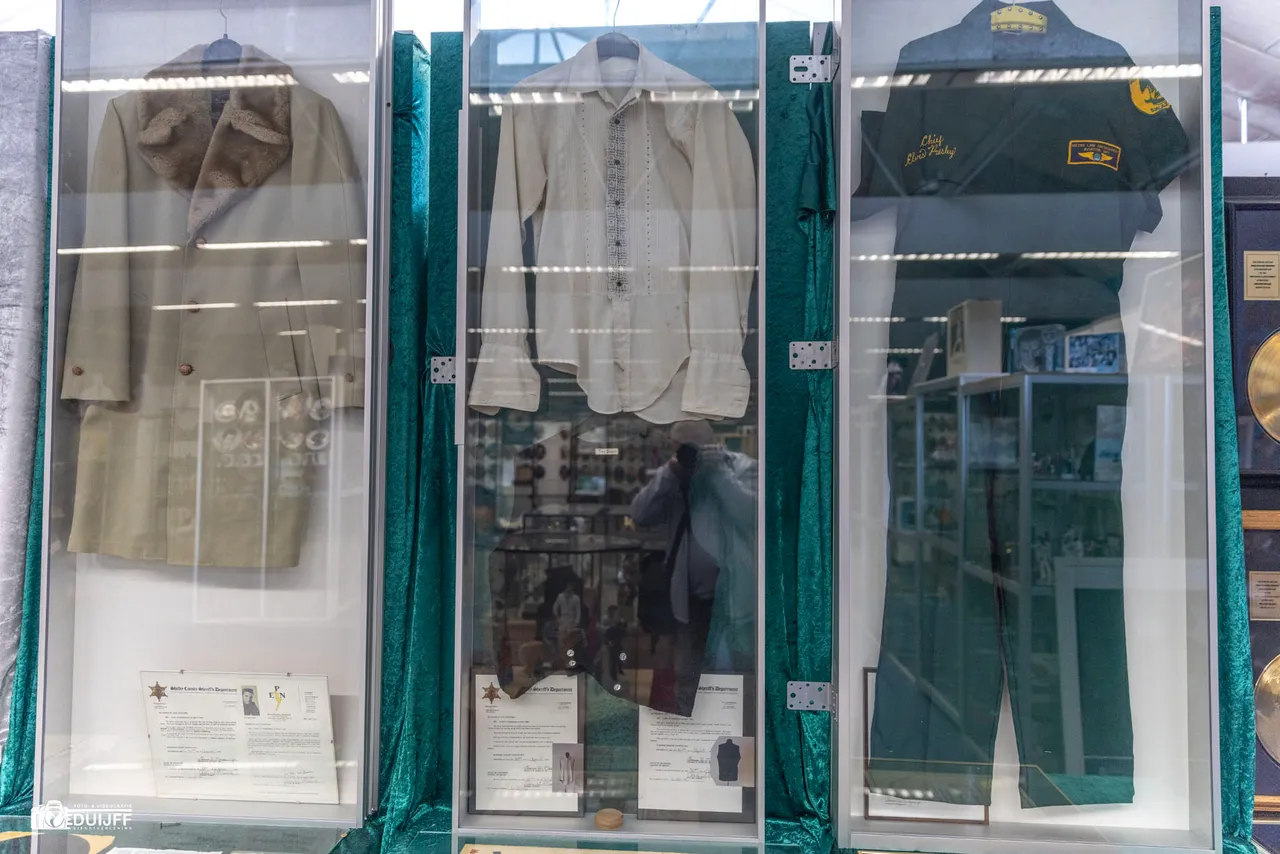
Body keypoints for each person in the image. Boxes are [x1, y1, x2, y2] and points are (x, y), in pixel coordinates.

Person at [630, 420, 757, 715]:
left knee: (742, 669)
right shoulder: (676, 476)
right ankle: (689, 729)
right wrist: (671, 473)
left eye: (692, 447)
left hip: (737, 597)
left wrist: (718, 473)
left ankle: (744, 726)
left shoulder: (741, 467)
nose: (688, 454)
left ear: (712, 442)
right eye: (679, 448)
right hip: (690, 600)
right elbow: (640, 514)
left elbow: (751, 514)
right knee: (688, 674)